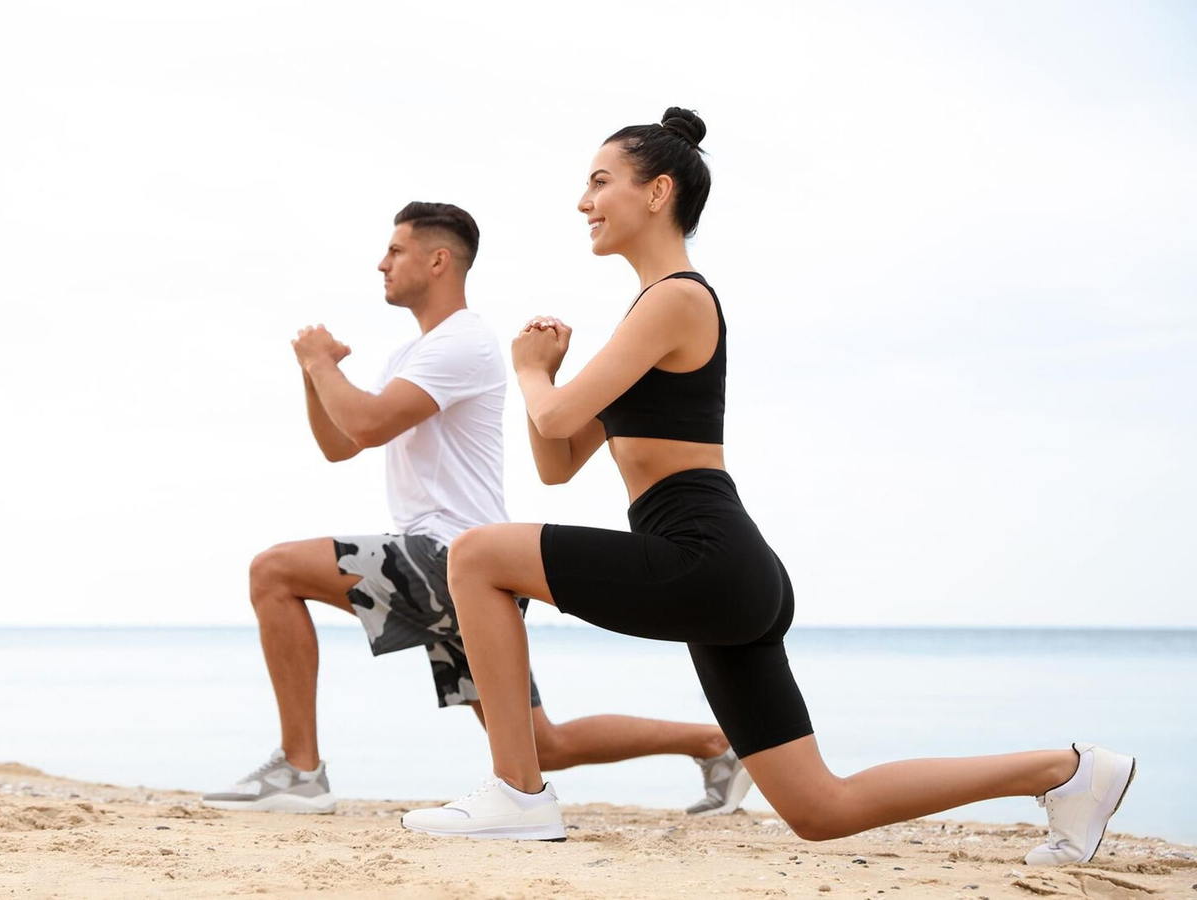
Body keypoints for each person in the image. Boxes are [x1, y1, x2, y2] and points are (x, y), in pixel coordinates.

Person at [399, 111, 1135, 865]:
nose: (582, 202)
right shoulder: (647, 313)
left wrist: (527, 369)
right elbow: (557, 460)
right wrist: (544, 374)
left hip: (704, 554)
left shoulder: (678, 298)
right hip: (724, 569)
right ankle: (1069, 771)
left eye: (598, 182)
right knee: (820, 807)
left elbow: (550, 413)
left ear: (657, 192)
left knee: (478, 555)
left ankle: (518, 795)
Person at [201, 201, 750, 818]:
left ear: (438, 261)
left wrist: (321, 362)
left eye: (395, 250)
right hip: (466, 572)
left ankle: (300, 770)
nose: (381, 263)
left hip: (446, 554)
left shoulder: (465, 342)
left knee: (273, 571)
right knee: (544, 743)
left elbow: (370, 423)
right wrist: (313, 375)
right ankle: (714, 743)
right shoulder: (412, 355)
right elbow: (340, 441)